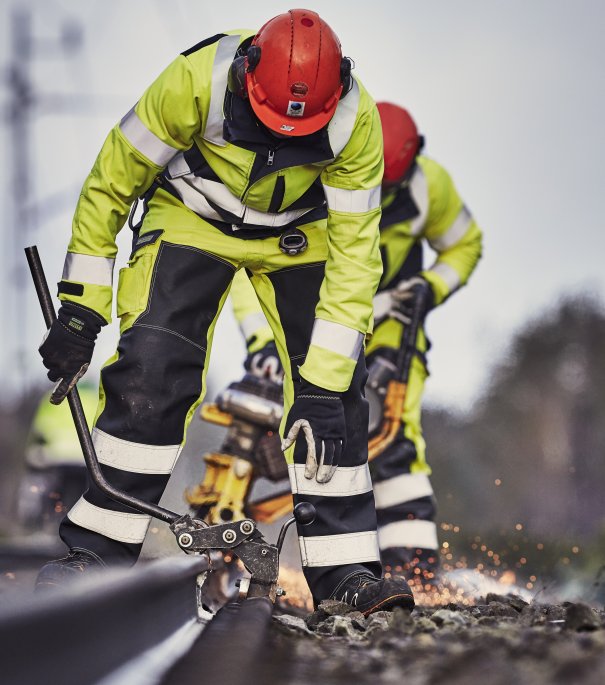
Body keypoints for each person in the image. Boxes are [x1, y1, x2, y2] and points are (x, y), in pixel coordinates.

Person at [36, 9, 414, 614]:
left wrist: (320, 383)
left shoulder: (354, 124)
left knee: (334, 403)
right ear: (246, 78)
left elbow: (354, 259)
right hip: (192, 216)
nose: (283, 143)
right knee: (151, 368)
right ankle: (97, 554)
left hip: (301, 235)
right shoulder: (192, 83)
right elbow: (111, 184)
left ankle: (345, 576)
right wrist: (82, 308)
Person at [232, 102, 483, 587]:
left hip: (391, 331)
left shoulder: (432, 186)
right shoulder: (313, 170)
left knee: (395, 440)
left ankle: (412, 570)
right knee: (287, 418)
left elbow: (465, 243)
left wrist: (432, 286)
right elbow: (252, 265)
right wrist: (263, 340)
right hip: (319, 320)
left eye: (388, 188)